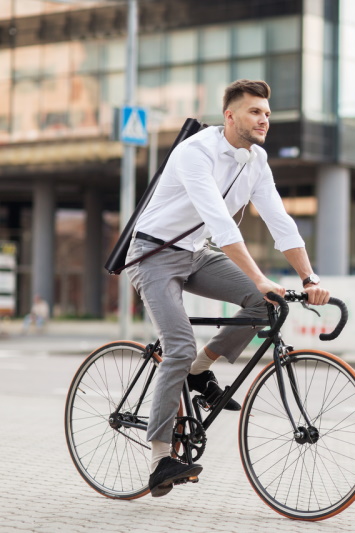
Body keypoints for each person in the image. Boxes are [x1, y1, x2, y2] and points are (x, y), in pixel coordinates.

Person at [124, 79, 330, 497]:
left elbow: (280, 221)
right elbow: (218, 221)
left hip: (196, 253)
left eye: (268, 113)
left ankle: (200, 371)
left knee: (262, 303)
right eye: (255, 111)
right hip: (153, 253)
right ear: (230, 115)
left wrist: (309, 278)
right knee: (177, 345)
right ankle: (160, 457)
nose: (264, 120)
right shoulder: (195, 152)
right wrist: (258, 273)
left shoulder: (256, 160)